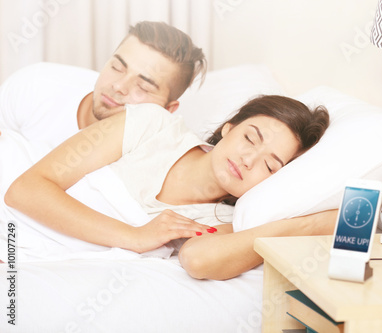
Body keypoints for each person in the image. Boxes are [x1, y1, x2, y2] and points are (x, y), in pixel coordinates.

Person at [4, 95, 333, 274]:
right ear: (228, 128)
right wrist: (135, 237)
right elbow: (25, 189)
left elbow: (199, 260)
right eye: (250, 138)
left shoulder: (225, 221)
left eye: (270, 165)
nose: (249, 159)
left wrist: (311, 224)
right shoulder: (151, 125)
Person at [0, 21, 206, 149]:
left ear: (168, 110)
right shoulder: (36, 84)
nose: (119, 86)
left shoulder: (153, 162)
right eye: (117, 67)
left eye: (143, 87)